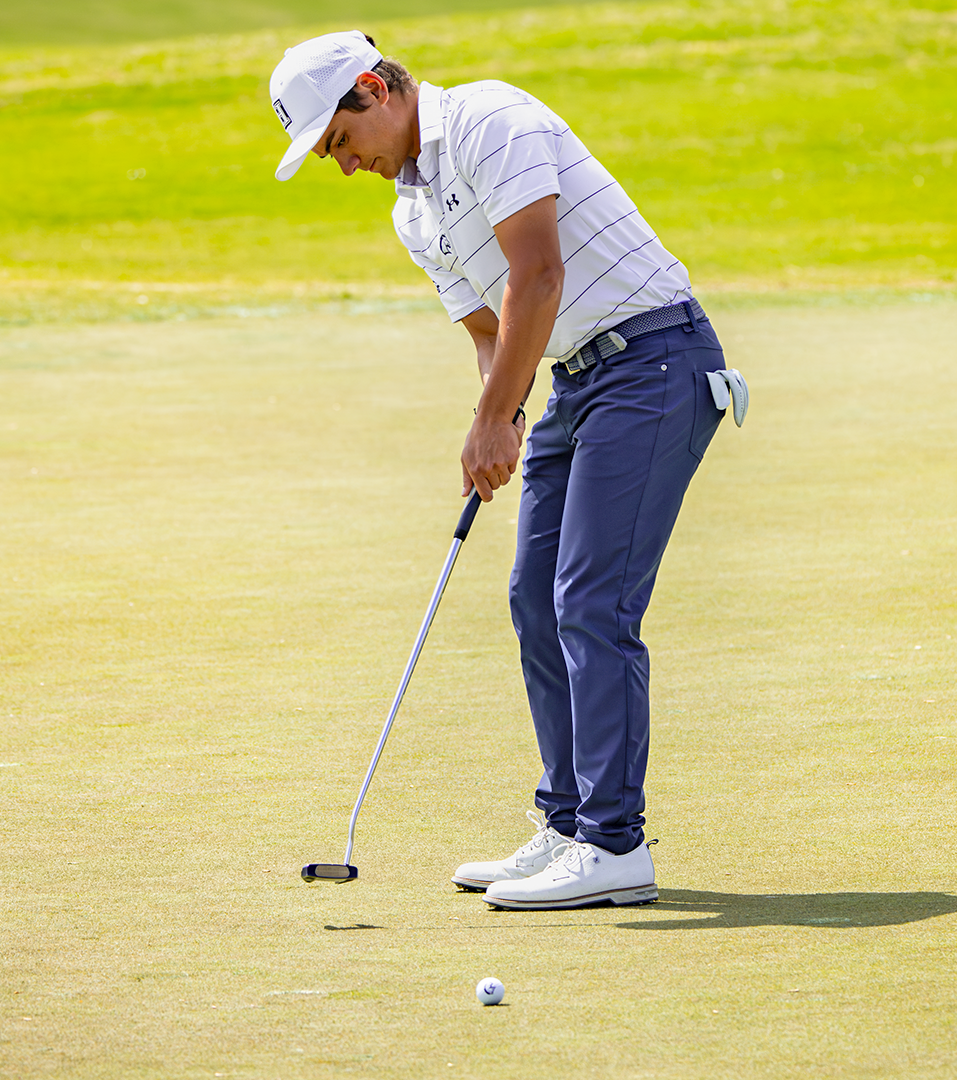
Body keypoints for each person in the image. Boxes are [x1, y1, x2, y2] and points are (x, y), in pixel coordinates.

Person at [268, 31, 741, 910]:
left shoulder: (490, 119)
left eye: (338, 141)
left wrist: (495, 419)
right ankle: (566, 824)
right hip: (574, 382)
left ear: (374, 89)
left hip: (656, 360)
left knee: (592, 601)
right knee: (535, 595)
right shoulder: (412, 210)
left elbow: (539, 272)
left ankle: (613, 844)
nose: (343, 166)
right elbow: (491, 333)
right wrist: (499, 421)